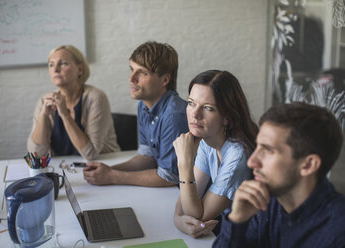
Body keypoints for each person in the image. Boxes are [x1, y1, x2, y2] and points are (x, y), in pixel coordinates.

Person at [213, 102, 345, 248]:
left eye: (268, 150)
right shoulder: (265, 204)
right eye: (257, 147)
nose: (251, 162)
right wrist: (237, 220)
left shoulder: (338, 232)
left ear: (308, 165)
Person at [83, 41, 189, 187]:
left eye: (143, 73)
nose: (131, 79)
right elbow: (147, 157)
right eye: (132, 70)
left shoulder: (174, 116)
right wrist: (107, 171)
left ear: (165, 79)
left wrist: (112, 176)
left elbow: (169, 177)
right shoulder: (143, 104)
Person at [173, 70, 258, 238]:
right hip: (230, 231)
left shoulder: (237, 155)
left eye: (208, 108)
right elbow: (189, 201)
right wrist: (177, 219)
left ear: (227, 117)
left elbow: (198, 215)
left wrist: (184, 165)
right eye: (191, 103)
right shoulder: (208, 139)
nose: (195, 114)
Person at [27, 45, 120, 161]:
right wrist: (43, 115)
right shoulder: (44, 101)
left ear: (80, 70)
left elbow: (91, 154)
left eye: (63, 63)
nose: (55, 69)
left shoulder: (95, 97)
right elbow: (36, 155)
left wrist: (65, 114)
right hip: (63, 168)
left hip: (103, 165)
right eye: (51, 65)